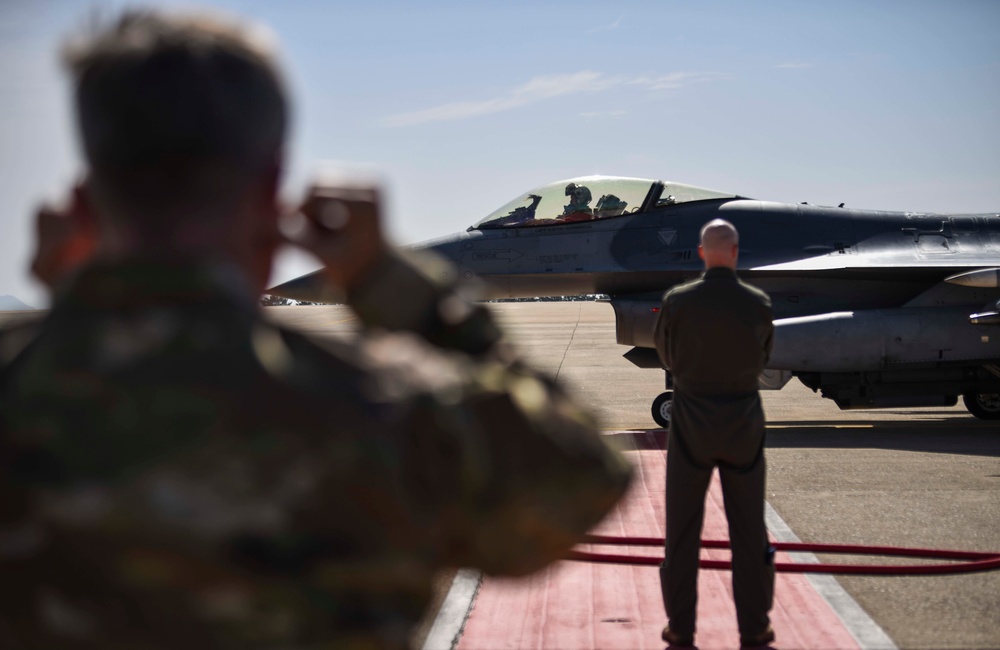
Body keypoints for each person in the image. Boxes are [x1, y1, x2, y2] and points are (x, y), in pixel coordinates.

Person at [0, 10, 632, 649]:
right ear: (275, 195)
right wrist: (409, 296)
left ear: (79, 207)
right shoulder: (393, 407)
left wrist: (73, 313)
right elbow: (582, 474)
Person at [653, 219, 775, 648]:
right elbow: (763, 358)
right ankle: (755, 628)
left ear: (703, 253)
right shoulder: (757, 302)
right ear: (736, 252)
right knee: (748, 529)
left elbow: (666, 356)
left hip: (691, 419)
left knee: (683, 529)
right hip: (743, 418)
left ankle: (682, 629)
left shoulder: (679, 301)